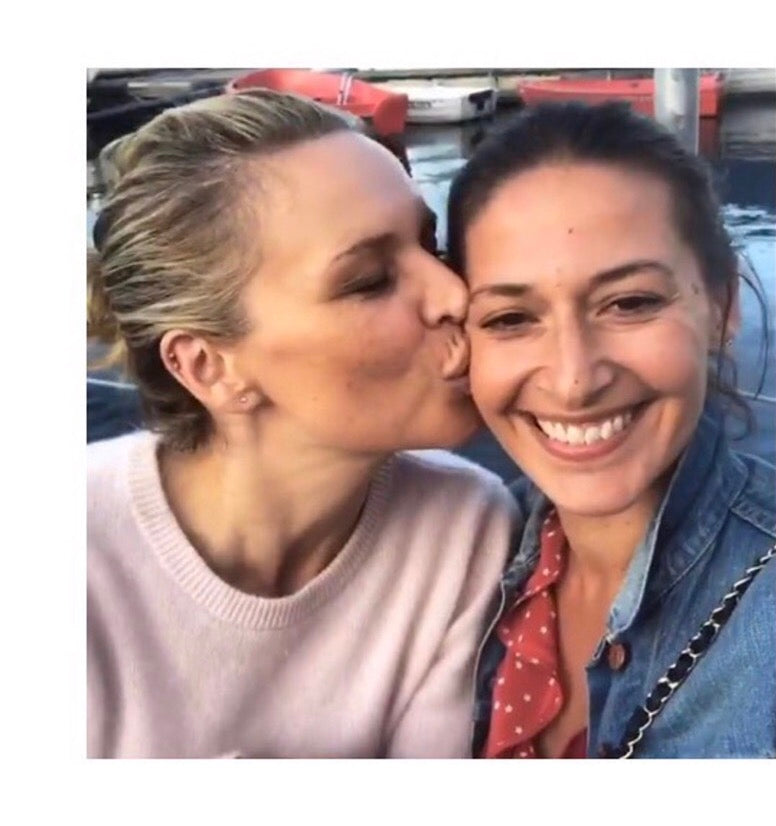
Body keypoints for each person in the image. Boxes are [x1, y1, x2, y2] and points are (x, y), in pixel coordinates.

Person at [87, 89, 519, 758]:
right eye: (369, 281)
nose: (455, 295)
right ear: (207, 366)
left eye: (429, 244)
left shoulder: (464, 527)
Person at [446, 101, 776, 758]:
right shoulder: (464, 553)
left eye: (630, 303)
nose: (573, 380)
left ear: (722, 308)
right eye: (511, 318)